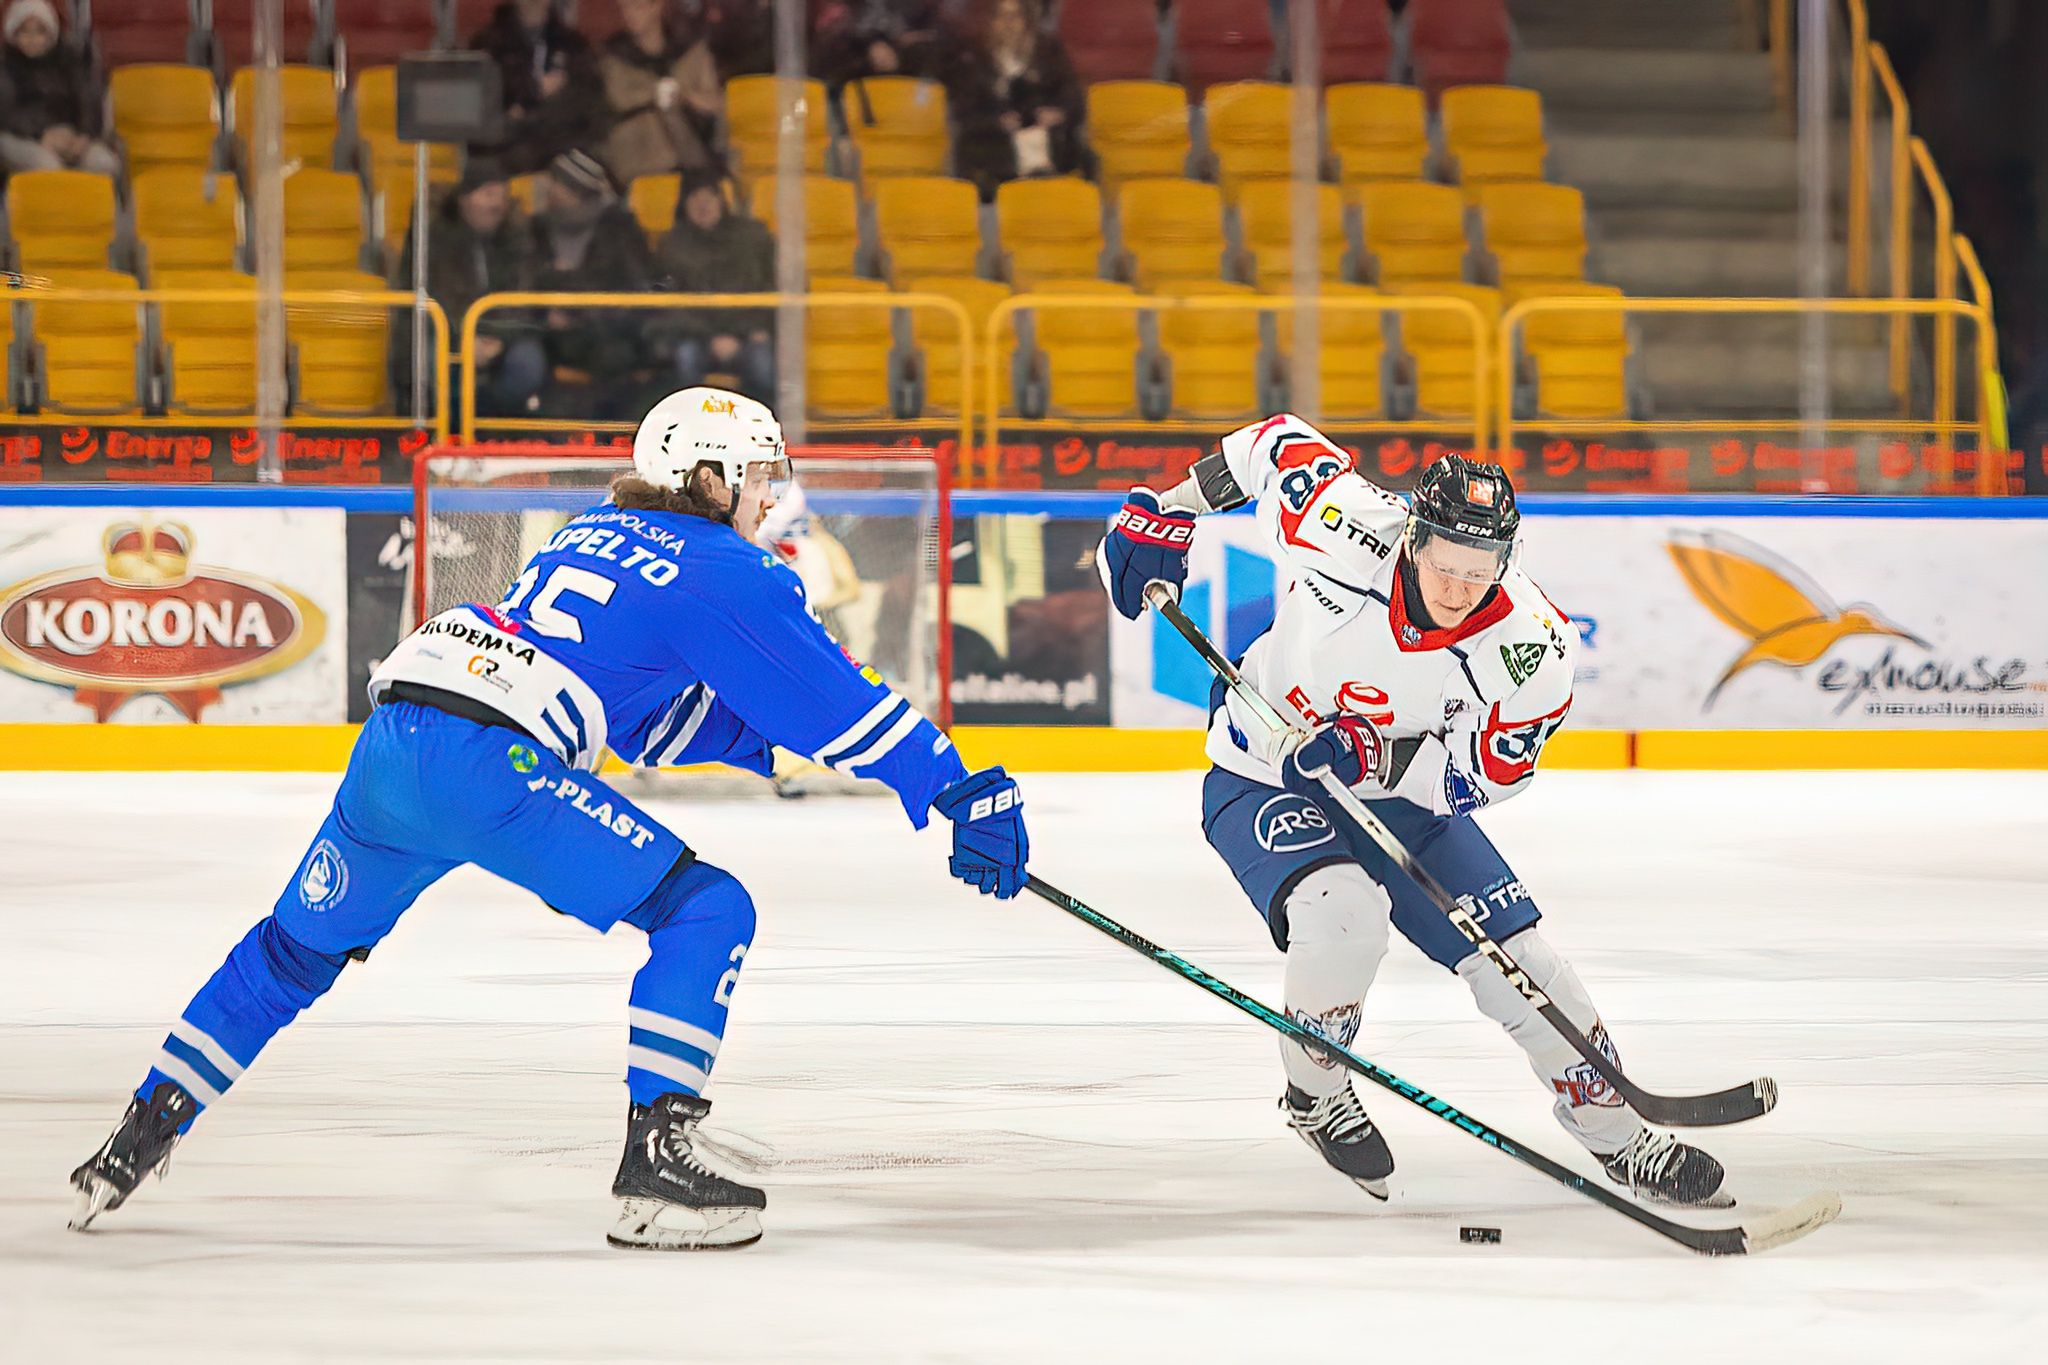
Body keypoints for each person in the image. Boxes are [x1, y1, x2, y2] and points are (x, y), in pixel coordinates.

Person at [69, 387, 1031, 1251]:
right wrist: (953, 785)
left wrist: (766, 745)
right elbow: (838, 702)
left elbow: (649, 715)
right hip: (493, 765)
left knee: (291, 951)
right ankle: (657, 1164)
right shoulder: (724, 565)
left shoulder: (590, 533)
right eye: (756, 475)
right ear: (705, 477)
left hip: (397, 745)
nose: (770, 495)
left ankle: (143, 1127)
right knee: (707, 911)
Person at [1096, 422, 1731, 1209]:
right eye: (1444, 564)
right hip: (1263, 775)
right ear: (1413, 537)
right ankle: (1314, 1088)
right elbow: (1272, 443)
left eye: (1482, 570)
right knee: (1345, 918)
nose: (1461, 588)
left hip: (1409, 798)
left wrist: (1375, 758)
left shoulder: (1531, 646)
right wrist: (1168, 508)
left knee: (1523, 963)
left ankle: (1618, 1135)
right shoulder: (1343, 521)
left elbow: (1487, 774)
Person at [392, 158, 547, 417]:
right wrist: (464, 340)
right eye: (488, 194)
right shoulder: (435, 240)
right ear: (464, 199)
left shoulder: (518, 242)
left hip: (500, 337)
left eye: (502, 196)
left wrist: (499, 340)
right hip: (446, 333)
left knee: (527, 363)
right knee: (433, 360)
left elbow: (523, 299)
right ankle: (450, 432)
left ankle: (495, 429)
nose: (497, 204)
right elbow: (434, 299)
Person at [530, 149, 657, 419]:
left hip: (604, 328)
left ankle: (609, 434)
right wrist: (546, 315)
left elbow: (632, 288)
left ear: (577, 191)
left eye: (557, 183)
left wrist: (567, 287)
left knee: (616, 355)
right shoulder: (536, 228)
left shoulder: (620, 229)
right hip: (548, 330)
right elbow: (527, 281)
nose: (548, 188)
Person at [941, 0, 1086, 202]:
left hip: (1046, 140)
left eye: (1015, 16)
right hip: (994, 144)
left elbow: (1072, 95)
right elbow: (963, 112)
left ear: (1026, 20)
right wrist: (996, 122)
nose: (1009, 23)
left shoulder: (1048, 51)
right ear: (991, 21)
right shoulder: (972, 56)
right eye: (1002, 16)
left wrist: (1058, 112)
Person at [654, 168, 775, 400]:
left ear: (722, 201)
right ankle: (691, 431)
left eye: (710, 197)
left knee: (763, 366)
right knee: (685, 359)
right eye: (695, 198)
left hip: (748, 333)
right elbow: (667, 302)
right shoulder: (671, 245)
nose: (703, 205)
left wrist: (746, 332)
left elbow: (773, 287)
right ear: (684, 205)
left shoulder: (752, 237)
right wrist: (710, 337)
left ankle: (760, 432)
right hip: (696, 336)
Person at [467, 0, 605, 174]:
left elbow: (588, 109)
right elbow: (479, 118)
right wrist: (534, 92)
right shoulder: (486, 44)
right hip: (501, 160)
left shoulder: (573, 45)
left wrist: (524, 113)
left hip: (561, 161)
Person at [598, 0, 723, 184]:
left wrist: (683, 95)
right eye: (624, 8)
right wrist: (656, 93)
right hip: (639, 156)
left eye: (636, 7)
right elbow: (618, 97)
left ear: (656, 7)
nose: (629, 15)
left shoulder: (690, 51)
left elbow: (714, 102)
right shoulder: (615, 55)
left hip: (690, 155)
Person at [0, 0, 119, 176]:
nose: (32, 39)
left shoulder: (70, 59)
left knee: (104, 164)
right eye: (24, 31)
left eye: (40, 32)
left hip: (70, 135)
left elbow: (87, 99)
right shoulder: (5, 65)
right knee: (50, 168)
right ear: (13, 34)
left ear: (51, 33)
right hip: (22, 136)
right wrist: (43, 135)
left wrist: (84, 135)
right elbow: (8, 114)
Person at [811, 0, 945, 86]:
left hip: (911, 87)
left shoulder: (921, 10)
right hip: (851, 85)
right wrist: (872, 44)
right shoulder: (842, 12)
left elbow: (933, 36)